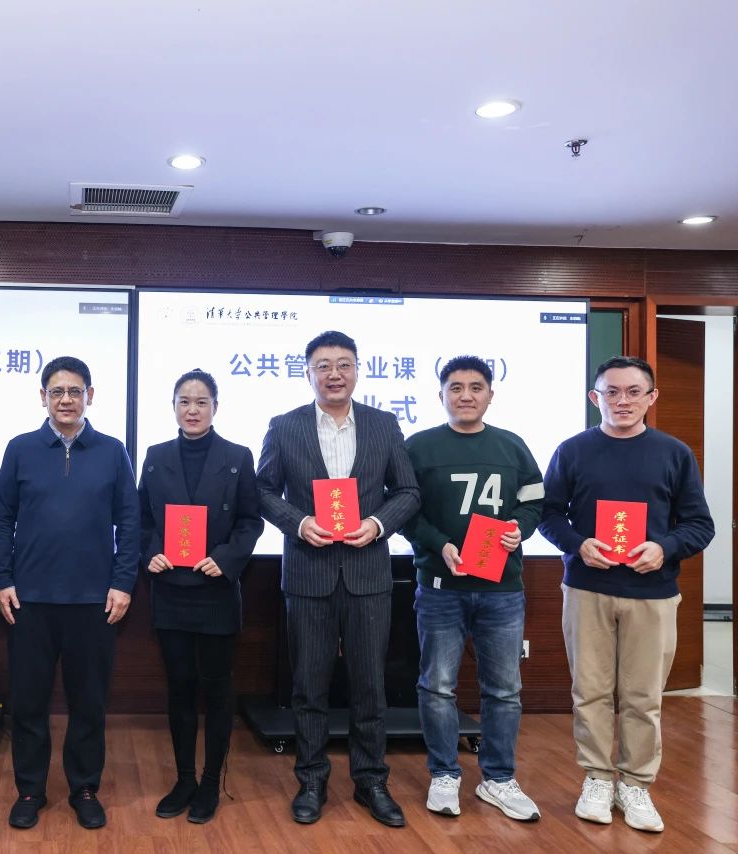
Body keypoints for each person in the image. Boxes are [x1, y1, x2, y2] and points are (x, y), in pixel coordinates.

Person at [539, 355, 713, 833]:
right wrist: (578, 544)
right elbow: (548, 514)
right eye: (611, 392)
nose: (622, 401)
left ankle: (635, 785)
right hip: (587, 589)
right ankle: (597, 778)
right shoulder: (572, 450)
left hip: (652, 594)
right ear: (594, 397)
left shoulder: (674, 453)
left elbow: (700, 525)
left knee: (642, 696)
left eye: (634, 392)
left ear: (651, 398)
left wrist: (665, 548)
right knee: (590, 691)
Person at [256, 330, 419, 828]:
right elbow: (263, 491)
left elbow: (408, 492)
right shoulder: (284, 426)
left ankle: (371, 780)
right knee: (309, 686)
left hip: (368, 574)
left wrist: (378, 524)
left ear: (357, 370)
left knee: (370, 686)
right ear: (307, 372)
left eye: (343, 364)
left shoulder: (383, 425)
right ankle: (311, 778)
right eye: (323, 365)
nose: (334, 374)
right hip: (309, 574)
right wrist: (299, 522)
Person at [0, 356, 139, 831]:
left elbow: (130, 522)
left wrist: (123, 582)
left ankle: (84, 788)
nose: (66, 400)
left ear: (90, 396)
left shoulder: (112, 451)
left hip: (94, 602)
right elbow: (2, 519)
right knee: (28, 702)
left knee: (88, 703)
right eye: (57, 392)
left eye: (75, 391)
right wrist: (2, 578)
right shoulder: (20, 448)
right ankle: (30, 790)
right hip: (29, 600)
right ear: (43, 397)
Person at [402, 355, 544, 821]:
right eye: (456, 387)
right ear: (441, 394)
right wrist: (439, 544)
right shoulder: (418, 447)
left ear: (490, 394)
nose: (466, 395)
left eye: (476, 387)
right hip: (439, 588)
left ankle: (498, 779)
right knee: (437, 685)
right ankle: (444, 774)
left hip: (502, 589)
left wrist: (519, 529)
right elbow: (404, 512)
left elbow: (534, 502)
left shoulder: (512, 446)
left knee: (504, 689)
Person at [138, 369, 262, 824]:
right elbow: (141, 519)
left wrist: (225, 559)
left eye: (201, 402)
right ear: (173, 406)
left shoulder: (237, 456)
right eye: (184, 401)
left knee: (217, 687)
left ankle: (211, 782)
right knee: (180, 687)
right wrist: (150, 552)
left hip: (215, 591)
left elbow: (251, 521)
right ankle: (184, 779)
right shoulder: (155, 456)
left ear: (215, 407)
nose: (192, 410)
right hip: (170, 590)